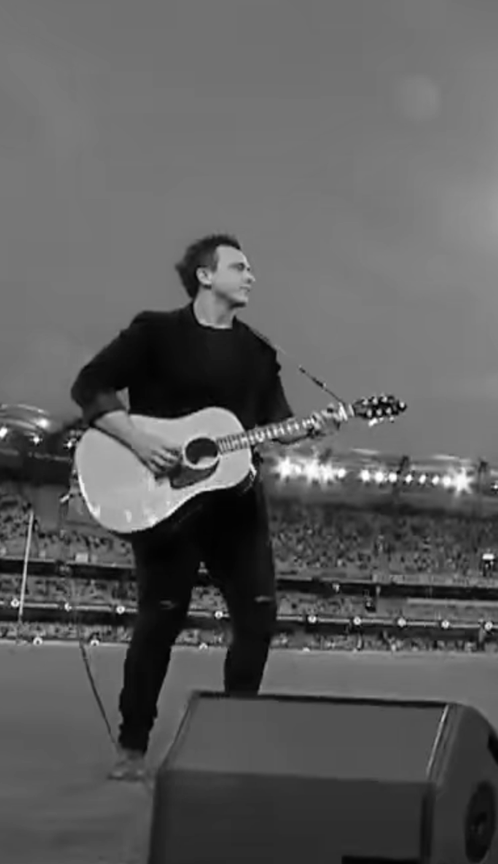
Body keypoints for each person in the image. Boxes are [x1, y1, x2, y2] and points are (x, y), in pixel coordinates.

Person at [70, 234, 331, 781]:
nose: (251, 275)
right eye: (239, 266)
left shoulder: (258, 350)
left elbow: (279, 421)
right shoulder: (155, 333)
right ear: (205, 276)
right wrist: (138, 442)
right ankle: (133, 745)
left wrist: (311, 429)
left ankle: (230, 742)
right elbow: (89, 385)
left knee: (258, 618)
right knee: (160, 621)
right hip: (162, 499)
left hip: (236, 503)